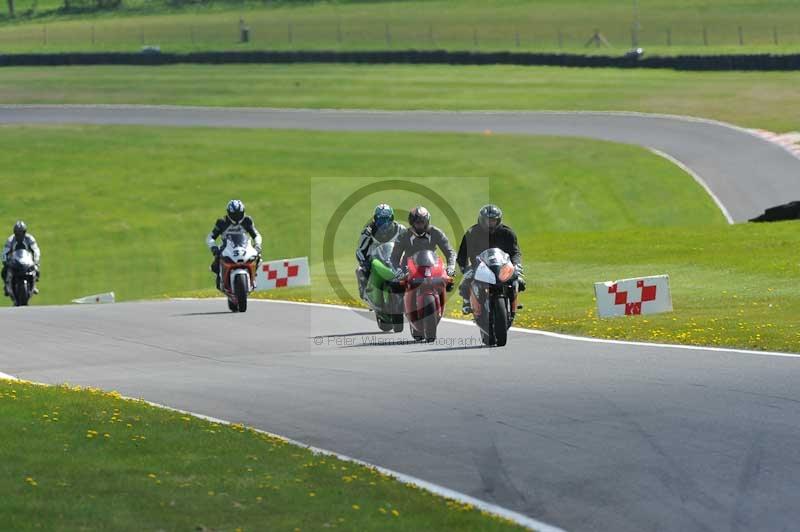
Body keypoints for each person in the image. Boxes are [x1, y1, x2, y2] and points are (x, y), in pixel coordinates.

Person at [456, 204, 524, 314]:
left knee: (519, 281)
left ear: (498, 220)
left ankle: (513, 302)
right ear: (481, 219)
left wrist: (516, 266)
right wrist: (465, 269)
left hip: (502, 266)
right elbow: (462, 255)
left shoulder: (507, 233)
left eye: (493, 220)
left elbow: (515, 252)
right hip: (478, 266)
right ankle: (467, 302)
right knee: (464, 284)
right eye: (487, 220)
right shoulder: (471, 233)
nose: (490, 223)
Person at [206, 200, 263, 290]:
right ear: (229, 213)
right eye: (234, 215)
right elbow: (210, 237)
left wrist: (257, 245)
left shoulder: (247, 221)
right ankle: (220, 278)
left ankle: (253, 276)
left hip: (244, 247)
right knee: (216, 262)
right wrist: (213, 247)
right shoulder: (222, 222)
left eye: (239, 214)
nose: (237, 217)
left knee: (258, 257)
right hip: (227, 248)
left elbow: (256, 235)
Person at [355, 203, 406, 299]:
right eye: (381, 221)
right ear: (375, 220)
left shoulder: (400, 229)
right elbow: (360, 250)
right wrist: (365, 263)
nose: (384, 224)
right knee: (361, 270)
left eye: (387, 220)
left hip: (396, 261)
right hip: (376, 261)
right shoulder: (368, 231)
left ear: (392, 219)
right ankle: (365, 291)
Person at [390, 206, 456, 278]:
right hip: (408, 272)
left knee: (448, 283)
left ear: (427, 222)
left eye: (422, 222)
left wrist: (451, 267)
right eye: (417, 222)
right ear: (412, 223)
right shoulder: (403, 236)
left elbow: (450, 252)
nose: (420, 225)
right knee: (395, 286)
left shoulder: (436, 232)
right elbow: (394, 258)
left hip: (432, 268)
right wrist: (398, 271)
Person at [2, 221, 41, 296]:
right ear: (14, 232)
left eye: (21, 232)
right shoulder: (10, 240)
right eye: (17, 233)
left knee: (36, 270)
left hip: (27, 260)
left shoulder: (30, 238)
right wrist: (5, 261)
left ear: (24, 232)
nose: (19, 235)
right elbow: (5, 251)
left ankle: (34, 285)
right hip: (14, 261)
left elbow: (36, 250)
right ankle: (7, 286)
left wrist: (36, 260)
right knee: (4, 271)